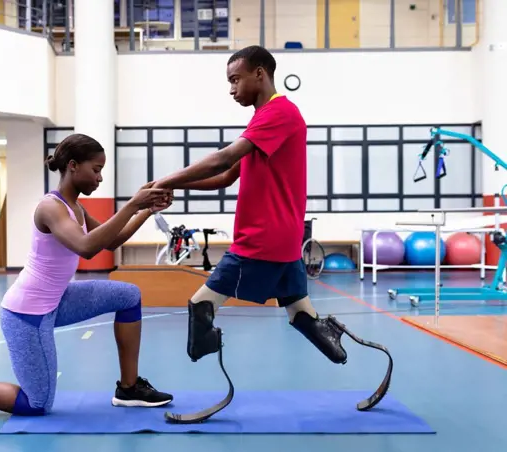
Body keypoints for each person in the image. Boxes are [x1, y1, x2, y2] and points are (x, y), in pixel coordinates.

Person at [151, 45, 387, 370]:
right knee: (299, 312)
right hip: (283, 238)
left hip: (262, 238)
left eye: (236, 80)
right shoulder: (262, 119)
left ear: (259, 74)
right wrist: (176, 185)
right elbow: (226, 176)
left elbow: (222, 159)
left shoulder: (280, 112)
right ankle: (336, 345)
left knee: (200, 304)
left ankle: (207, 344)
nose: (232, 89)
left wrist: (164, 180)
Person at [0, 133, 175, 416]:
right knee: (36, 403)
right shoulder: (50, 207)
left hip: (57, 300)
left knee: (128, 296)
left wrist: (146, 211)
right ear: (73, 165)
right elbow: (86, 247)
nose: (100, 178)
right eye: (96, 170)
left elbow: (110, 241)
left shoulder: (76, 207)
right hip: (27, 314)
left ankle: (129, 387)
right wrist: (132, 205)